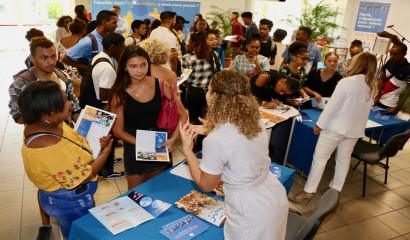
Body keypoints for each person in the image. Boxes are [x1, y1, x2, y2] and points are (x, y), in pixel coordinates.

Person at [179, 69, 288, 240]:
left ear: (214, 96)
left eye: (208, 90)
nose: (206, 93)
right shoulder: (254, 119)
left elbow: (206, 185)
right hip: (272, 197)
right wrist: (212, 128)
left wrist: (187, 150)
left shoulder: (216, 140)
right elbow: (236, 137)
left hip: (249, 214)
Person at [18, 81, 113, 239]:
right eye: (63, 101)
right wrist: (105, 152)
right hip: (71, 202)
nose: (71, 102)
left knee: (77, 229)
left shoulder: (42, 123)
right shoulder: (49, 146)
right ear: (49, 112)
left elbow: (70, 144)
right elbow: (84, 177)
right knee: (79, 233)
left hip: (66, 198)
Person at [9, 36, 82, 240]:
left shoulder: (61, 76)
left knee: (69, 175)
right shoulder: (21, 83)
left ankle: (69, 212)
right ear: (32, 58)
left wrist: (86, 128)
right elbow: (18, 117)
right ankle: (45, 223)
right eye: (44, 58)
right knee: (46, 182)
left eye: (53, 56)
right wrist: (47, 117)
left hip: (66, 135)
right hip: (41, 138)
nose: (50, 62)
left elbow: (74, 108)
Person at [290, 52, 378, 202]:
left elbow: (332, 107)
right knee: (343, 159)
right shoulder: (373, 84)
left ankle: (308, 191)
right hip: (354, 131)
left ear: (358, 64)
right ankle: (335, 189)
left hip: (336, 129)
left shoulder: (346, 82)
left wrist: (319, 125)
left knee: (320, 159)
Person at [108, 45, 187, 190]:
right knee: (136, 196)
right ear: (125, 67)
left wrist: (172, 140)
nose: (139, 70)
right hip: (134, 146)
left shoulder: (162, 85)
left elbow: (183, 115)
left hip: (159, 144)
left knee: (157, 194)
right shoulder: (119, 93)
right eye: (133, 66)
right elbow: (118, 131)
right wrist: (142, 143)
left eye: (143, 65)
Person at [89, 32, 126, 179]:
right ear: (112, 47)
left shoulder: (99, 57)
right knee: (107, 138)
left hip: (97, 104)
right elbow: (104, 94)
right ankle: (107, 170)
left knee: (105, 138)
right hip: (104, 107)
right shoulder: (107, 68)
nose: (123, 49)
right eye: (121, 46)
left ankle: (107, 161)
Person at [182, 31, 222, 125]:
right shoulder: (214, 55)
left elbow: (186, 79)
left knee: (193, 120)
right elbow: (220, 74)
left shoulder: (187, 57)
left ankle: (192, 139)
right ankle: (205, 139)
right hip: (210, 92)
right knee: (208, 121)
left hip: (193, 93)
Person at [62, 10, 118, 75]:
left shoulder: (108, 38)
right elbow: (65, 59)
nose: (117, 26)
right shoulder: (88, 41)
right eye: (114, 23)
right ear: (104, 22)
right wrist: (88, 68)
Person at [376, 43, 410, 114]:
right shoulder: (389, 62)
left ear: (404, 54)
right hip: (380, 101)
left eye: (395, 54)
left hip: (393, 107)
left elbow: (408, 93)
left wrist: (397, 107)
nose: (391, 56)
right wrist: (377, 96)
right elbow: (382, 79)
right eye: (391, 53)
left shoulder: (408, 69)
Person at [278, 41, 309, 106]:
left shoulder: (302, 71)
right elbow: (278, 90)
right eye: (303, 58)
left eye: (307, 59)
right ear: (294, 57)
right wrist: (289, 100)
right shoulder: (284, 70)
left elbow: (300, 87)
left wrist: (304, 94)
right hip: (282, 102)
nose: (305, 61)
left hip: (297, 102)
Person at [58, 18, 87, 82]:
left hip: (62, 72)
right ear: (82, 30)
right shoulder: (82, 41)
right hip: (77, 73)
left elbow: (59, 56)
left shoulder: (62, 39)